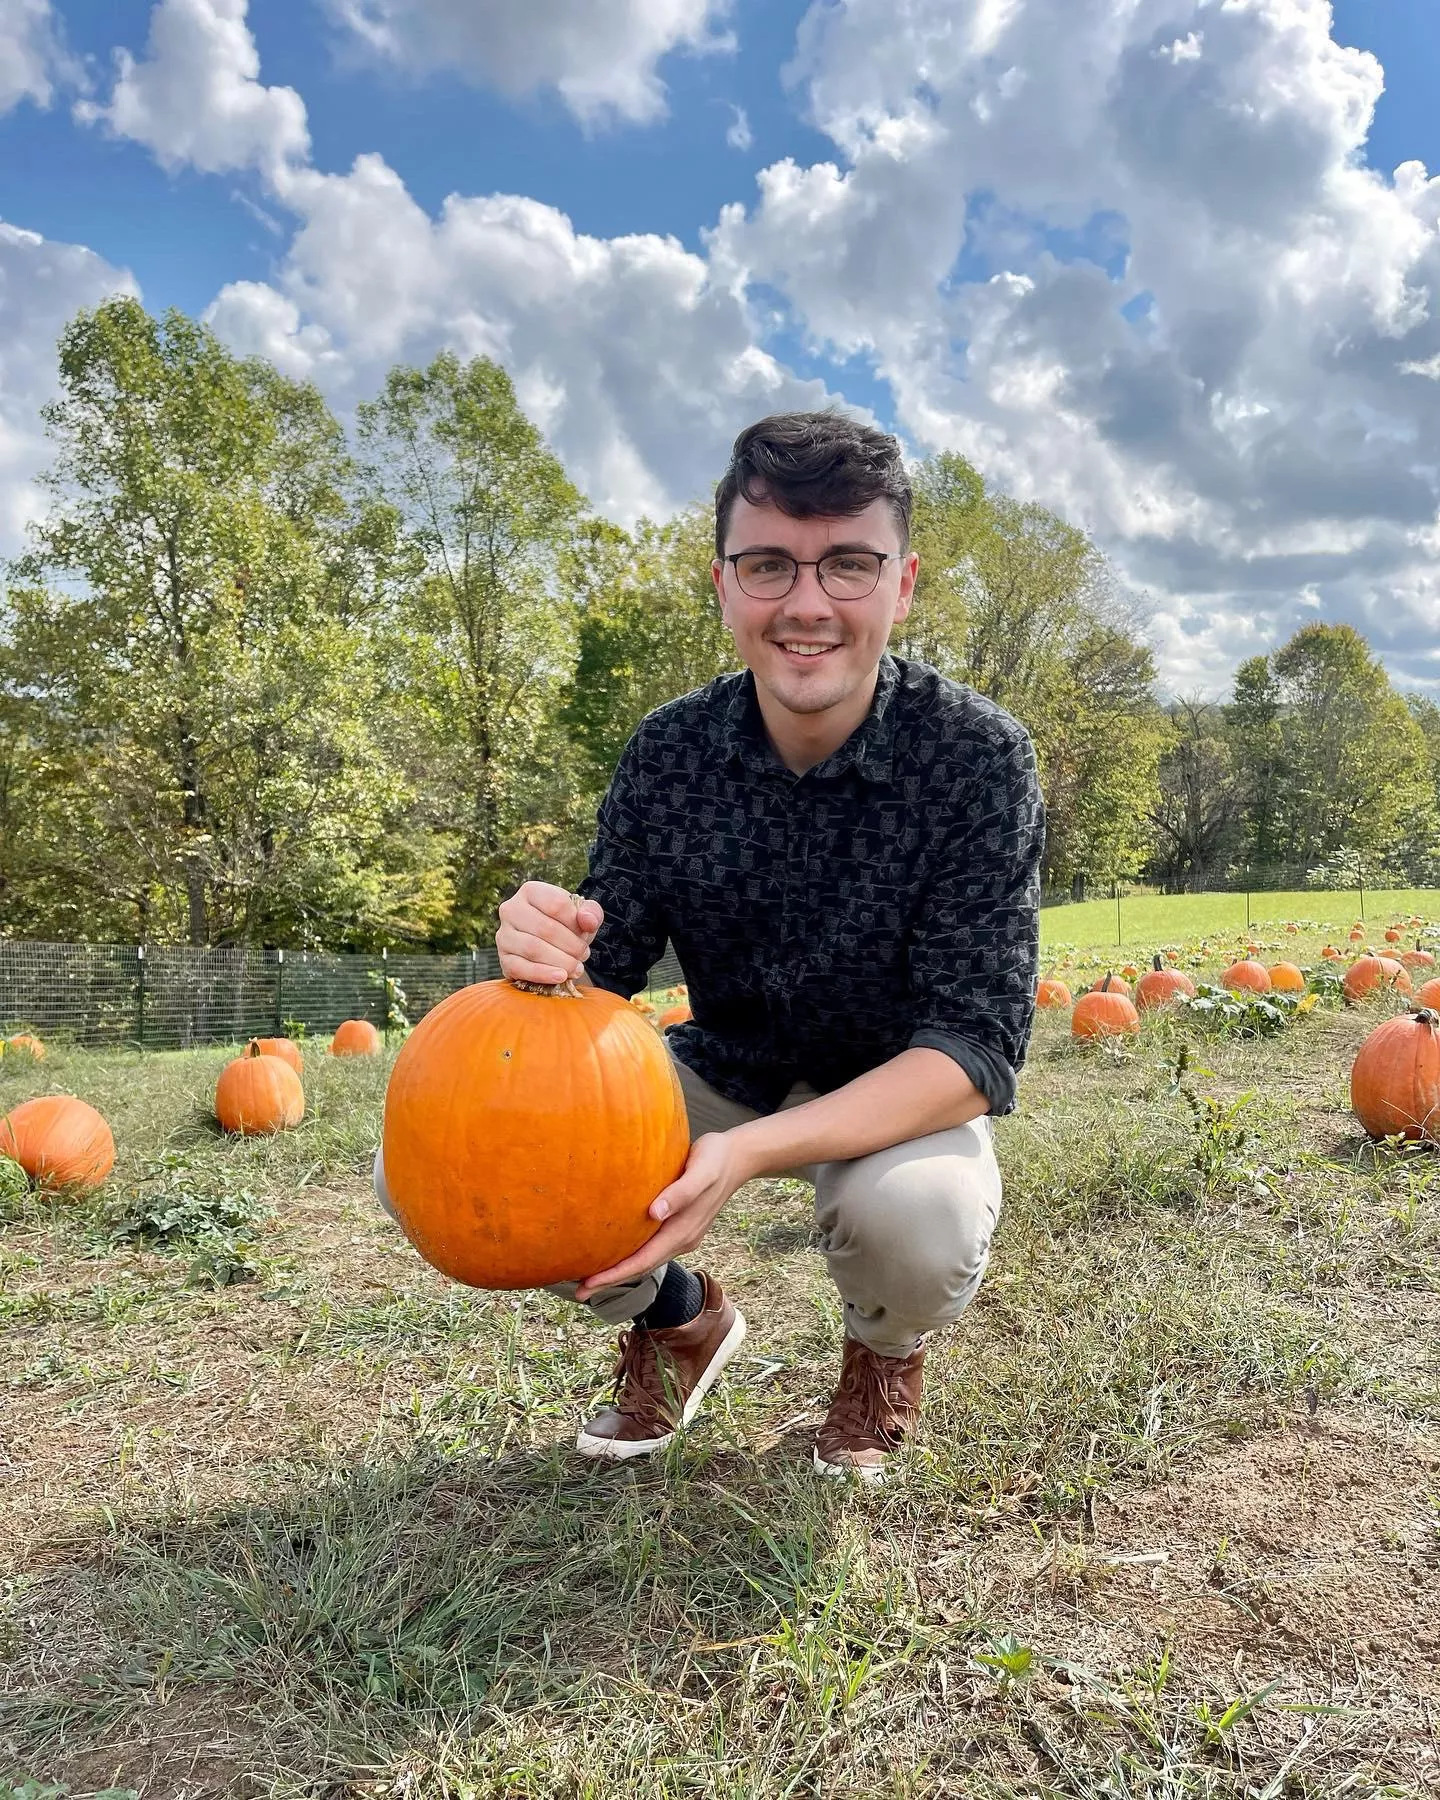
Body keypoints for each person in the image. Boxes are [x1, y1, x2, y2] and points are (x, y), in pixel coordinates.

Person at [474, 412, 1041, 1481]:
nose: (809, 603)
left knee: (915, 1221)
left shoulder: (978, 759)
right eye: (770, 564)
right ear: (725, 582)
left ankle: (883, 1355)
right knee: (486, 1156)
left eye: (850, 565)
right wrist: (544, 947)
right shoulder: (669, 752)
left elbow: (975, 1047)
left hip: (892, 1094)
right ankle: (681, 1320)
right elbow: (607, 961)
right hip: (724, 1061)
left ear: (903, 584)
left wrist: (742, 1157)